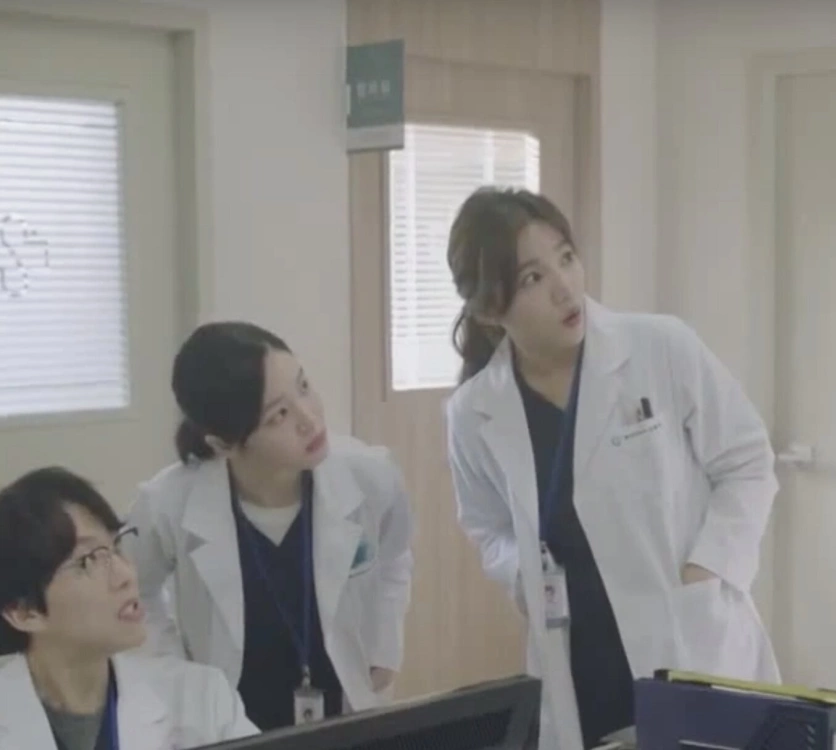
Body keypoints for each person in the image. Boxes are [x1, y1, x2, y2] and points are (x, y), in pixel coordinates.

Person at [443, 187, 780, 750]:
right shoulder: (473, 413)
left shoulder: (659, 347)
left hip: (687, 637)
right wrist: (524, 576)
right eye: (532, 278)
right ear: (488, 310)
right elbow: (487, 527)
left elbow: (748, 460)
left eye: (566, 257)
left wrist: (707, 568)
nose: (565, 287)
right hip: (580, 664)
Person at [124, 321, 415, 731]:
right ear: (223, 444)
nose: (309, 418)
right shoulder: (167, 504)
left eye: (303, 386)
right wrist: (176, 674)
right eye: (278, 415)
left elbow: (394, 557)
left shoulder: (370, 475)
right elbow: (134, 593)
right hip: (231, 722)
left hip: (345, 710)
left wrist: (385, 644)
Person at [0, 466, 258, 749]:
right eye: (88, 560)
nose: (125, 575)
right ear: (23, 612)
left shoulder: (201, 700)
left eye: (116, 547)